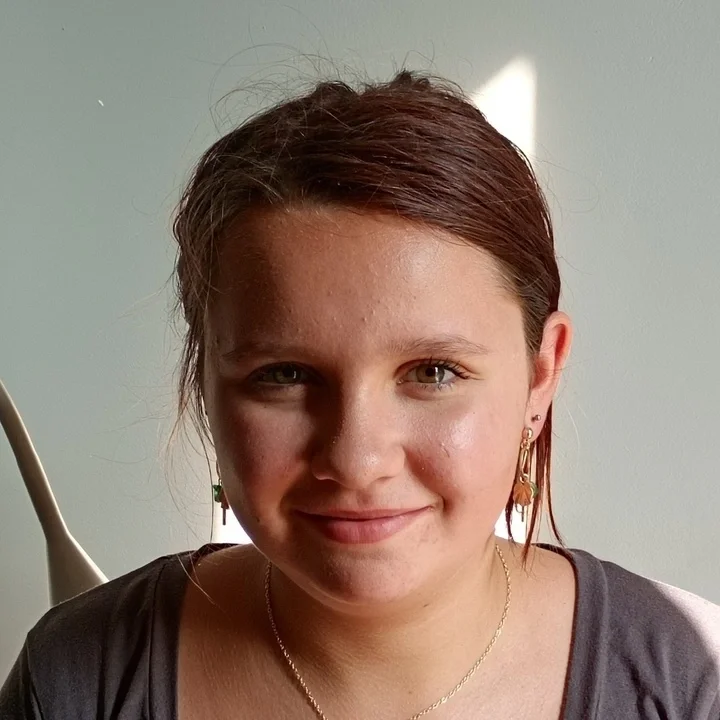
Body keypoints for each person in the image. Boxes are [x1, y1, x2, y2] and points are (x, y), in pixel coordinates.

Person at [2, 71, 719, 720]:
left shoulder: (690, 682)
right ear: (206, 385)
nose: (356, 460)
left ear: (541, 375)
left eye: (432, 371)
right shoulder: (74, 681)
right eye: (285, 375)